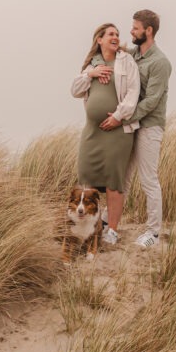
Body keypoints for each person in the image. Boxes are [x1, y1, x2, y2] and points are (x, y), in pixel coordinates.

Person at [69, 23, 141, 245]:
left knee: (113, 180)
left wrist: (118, 116)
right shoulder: (92, 64)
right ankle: (88, 227)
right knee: (86, 176)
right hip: (92, 132)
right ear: (99, 39)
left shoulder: (125, 61)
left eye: (117, 34)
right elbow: (75, 90)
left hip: (118, 131)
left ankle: (112, 230)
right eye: (110, 34)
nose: (116, 37)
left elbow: (133, 92)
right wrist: (91, 74)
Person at [116, 9, 171, 248]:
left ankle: (153, 233)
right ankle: (110, 224)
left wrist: (124, 118)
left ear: (148, 31)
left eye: (136, 28)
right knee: (123, 177)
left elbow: (152, 100)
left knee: (148, 179)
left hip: (149, 126)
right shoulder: (133, 54)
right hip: (131, 123)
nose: (131, 31)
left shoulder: (161, 63)